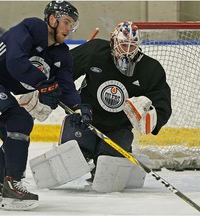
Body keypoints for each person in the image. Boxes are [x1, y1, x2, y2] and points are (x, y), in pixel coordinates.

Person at [0, 0, 92, 210]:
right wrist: (43, 84)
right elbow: (15, 61)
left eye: (72, 25)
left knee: (15, 131)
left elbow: (65, 86)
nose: (69, 28)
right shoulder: (30, 28)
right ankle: (13, 186)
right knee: (19, 120)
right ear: (52, 19)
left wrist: (78, 109)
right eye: (66, 22)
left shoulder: (62, 54)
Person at [59, 21, 172, 184]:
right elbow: (62, 74)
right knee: (73, 158)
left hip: (119, 127)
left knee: (107, 172)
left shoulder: (150, 69)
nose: (126, 51)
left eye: (131, 46)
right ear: (112, 42)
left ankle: (110, 158)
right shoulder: (94, 51)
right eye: (122, 44)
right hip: (85, 118)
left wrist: (153, 118)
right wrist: (74, 105)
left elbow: (162, 103)